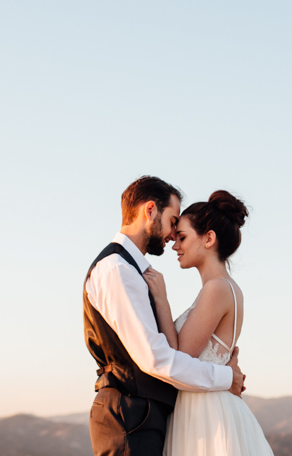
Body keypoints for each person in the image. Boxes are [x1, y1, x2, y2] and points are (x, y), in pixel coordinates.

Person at [83, 176, 246, 456]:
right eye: (173, 223)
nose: (173, 238)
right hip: (129, 416)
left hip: (150, 418)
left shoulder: (132, 271)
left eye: (180, 234)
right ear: (150, 211)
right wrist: (225, 377)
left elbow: (170, 353)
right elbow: (157, 358)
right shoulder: (117, 270)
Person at [143, 190, 274, 456]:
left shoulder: (217, 288)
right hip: (203, 408)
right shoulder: (221, 288)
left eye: (182, 237)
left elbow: (180, 358)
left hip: (205, 415)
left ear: (209, 239)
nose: (175, 246)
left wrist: (161, 300)